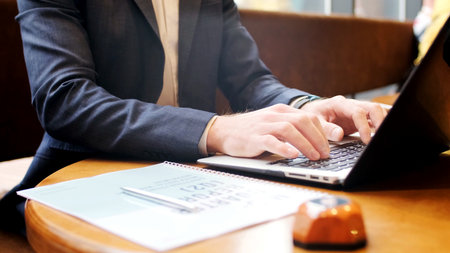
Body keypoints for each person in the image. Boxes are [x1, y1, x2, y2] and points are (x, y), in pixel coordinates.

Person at [0, 0, 386, 236]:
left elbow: (251, 80)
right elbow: (64, 100)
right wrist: (214, 129)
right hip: (84, 176)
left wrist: (306, 106)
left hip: (193, 178)